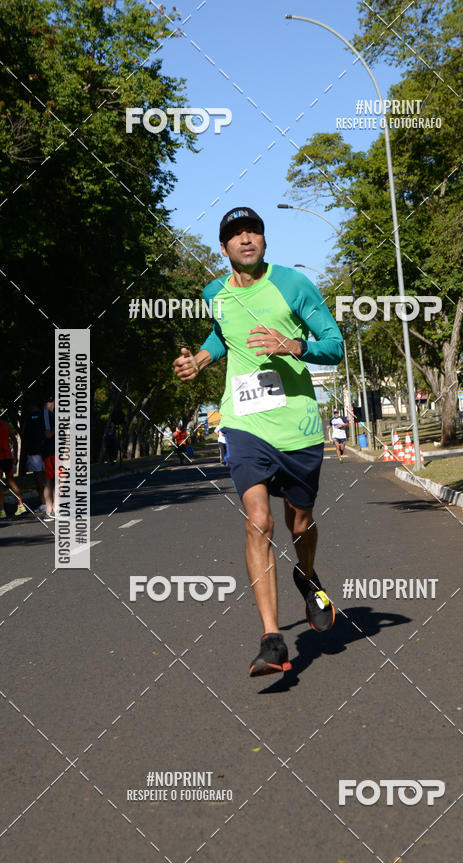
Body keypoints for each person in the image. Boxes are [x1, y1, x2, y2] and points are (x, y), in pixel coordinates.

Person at [173, 206, 344, 676]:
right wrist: (201, 362)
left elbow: (334, 343)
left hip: (298, 426)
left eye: (253, 232)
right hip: (245, 423)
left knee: (300, 523)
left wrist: (294, 344)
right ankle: (271, 639)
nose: (245, 239)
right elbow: (223, 334)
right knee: (258, 521)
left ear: (264, 241)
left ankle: (306, 576)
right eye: (235, 234)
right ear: (223, 247)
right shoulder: (215, 293)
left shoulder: (293, 285)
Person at [0, 407, 27, 519]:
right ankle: (21, 505)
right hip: (7, 457)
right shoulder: (6, 424)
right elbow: (14, 439)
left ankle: (2, 510)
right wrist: (15, 455)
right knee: (11, 481)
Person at [21, 400, 47, 512]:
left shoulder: (27, 419)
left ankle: (44, 503)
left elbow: (24, 435)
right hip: (47, 451)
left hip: (34, 453)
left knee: (39, 479)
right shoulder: (45, 417)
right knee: (50, 478)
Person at [41, 393, 56, 521]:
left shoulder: (50, 413)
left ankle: (51, 511)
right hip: (51, 451)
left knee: (51, 481)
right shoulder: (46, 413)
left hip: (52, 452)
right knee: (56, 480)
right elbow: (48, 434)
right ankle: (52, 510)